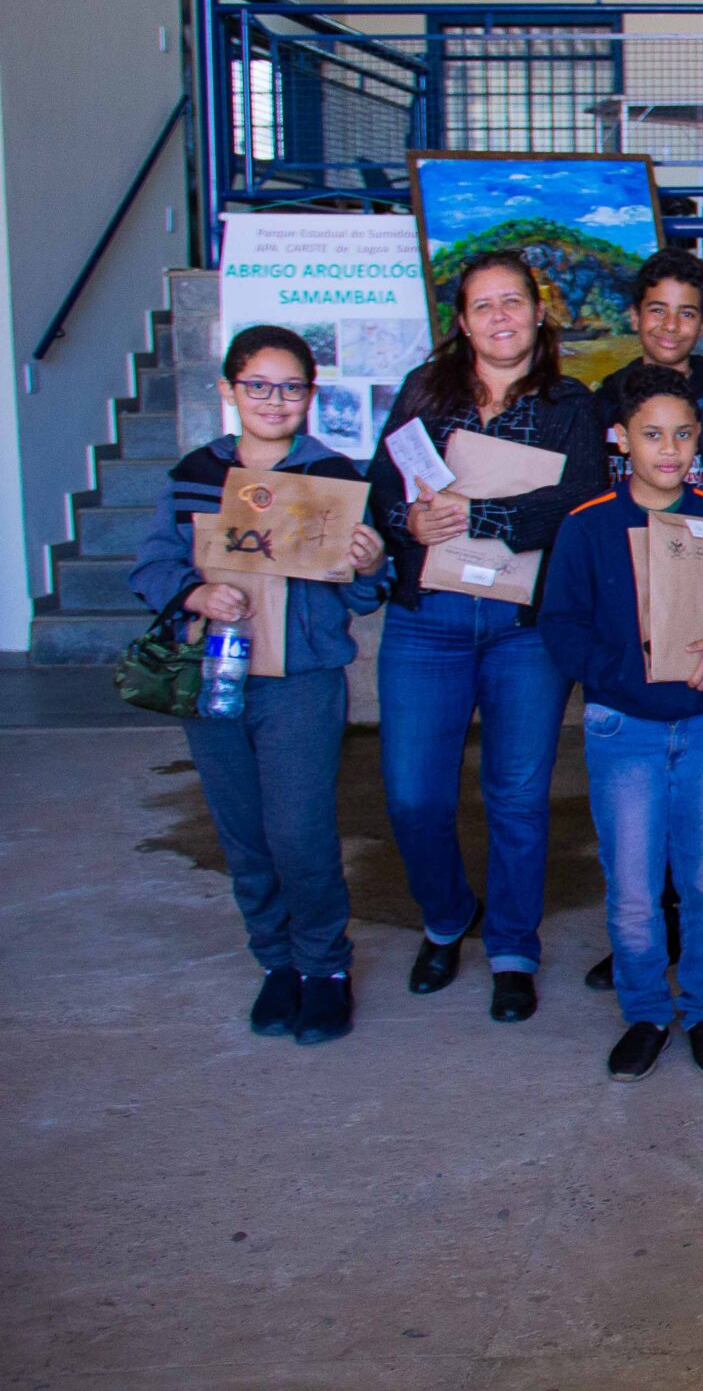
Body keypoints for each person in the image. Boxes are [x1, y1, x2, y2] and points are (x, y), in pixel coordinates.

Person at [365, 250, 610, 1025]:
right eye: (484, 305)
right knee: (412, 796)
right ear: (462, 322)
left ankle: (511, 945)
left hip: (523, 626)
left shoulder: (574, 403)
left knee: (518, 797)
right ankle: (445, 915)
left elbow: (580, 505)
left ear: (539, 313)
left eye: (514, 301)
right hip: (425, 619)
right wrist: (407, 518)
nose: (501, 316)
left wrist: (479, 516)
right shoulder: (425, 393)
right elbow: (381, 488)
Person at [129, 326, 388, 1045]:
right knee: (243, 832)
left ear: (312, 394)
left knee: (300, 831)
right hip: (216, 672)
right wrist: (194, 595)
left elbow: (369, 595)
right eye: (258, 385)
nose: (275, 400)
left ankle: (324, 966)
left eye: (291, 387)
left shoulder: (335, 475)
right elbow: (151, 563)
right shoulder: (194, 471)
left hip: (300, 681)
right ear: (228, 389)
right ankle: (275, 962)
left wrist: (370, 566)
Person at [539, 367, 703, 1082]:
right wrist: (631, 671)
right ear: (622, 437)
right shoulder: (588, 526)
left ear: (700, 438)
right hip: (623, 728)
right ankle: (643, 1009)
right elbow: (561, 627)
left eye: (683, 434)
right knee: (634, 884)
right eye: (652, 434)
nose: (669, 448)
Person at [592, 249, 703, 487]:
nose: (671, 325)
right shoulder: (604, 403)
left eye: (687, 314)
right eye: (658, 310)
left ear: (702, 324)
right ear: (635, 316)